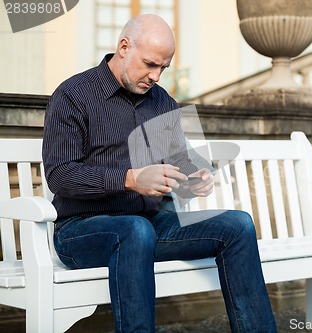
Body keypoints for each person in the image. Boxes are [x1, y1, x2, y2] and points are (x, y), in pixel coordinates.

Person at [42, 14, 277, 333]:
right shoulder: (73, 95)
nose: (156, 75)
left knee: (237, 224)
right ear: (124, 47)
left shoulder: (162, 102)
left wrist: (194, 181)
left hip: (152, 225)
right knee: (135, 230)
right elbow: (60, 175)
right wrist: (131, 179)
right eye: (150, 64)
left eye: (163, 67)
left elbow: (181, 163)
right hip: (81, 230)